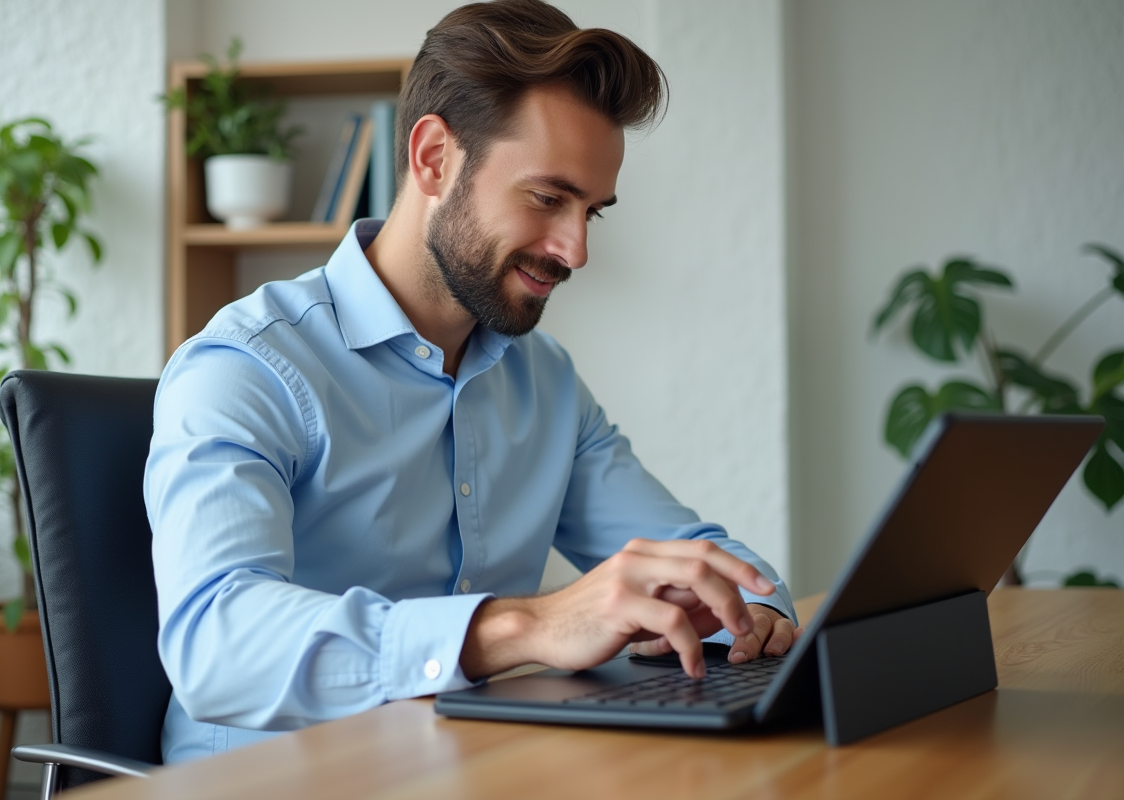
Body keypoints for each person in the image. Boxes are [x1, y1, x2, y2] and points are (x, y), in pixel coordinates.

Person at [145, 0, 803, 763]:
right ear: (432, 158)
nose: (575, 250)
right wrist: (528, 627)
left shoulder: (544, 381)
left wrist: (748, 608)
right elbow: (214, 645)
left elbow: (699, 555)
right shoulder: (247, 367)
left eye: (593, 211)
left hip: (469, 767)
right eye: (548, 198)